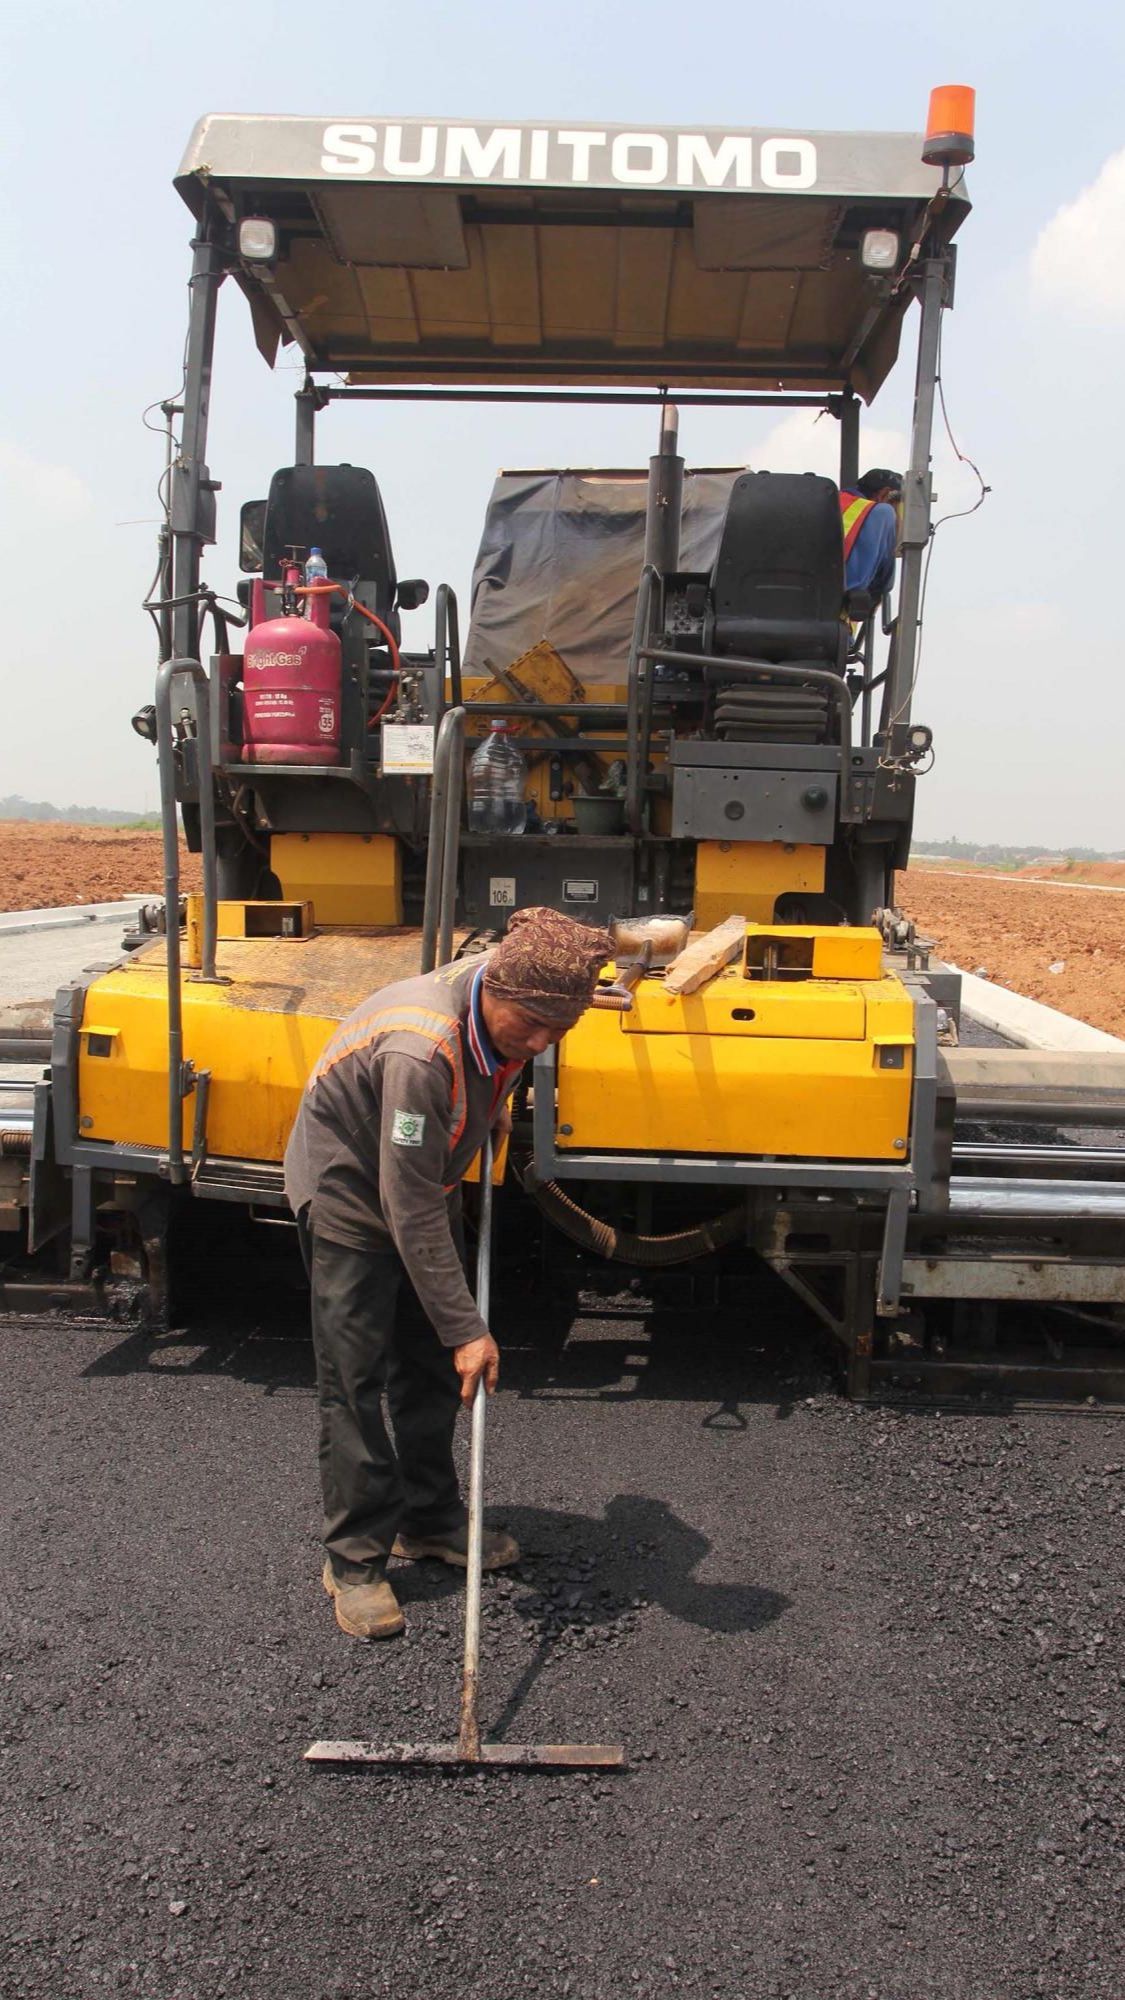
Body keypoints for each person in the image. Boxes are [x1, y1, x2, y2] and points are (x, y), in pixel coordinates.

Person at [284, 906, 612, 1641]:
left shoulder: (500, 992)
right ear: (493, 990)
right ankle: (356, 1560)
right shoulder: (418, 1049)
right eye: (529, 1026)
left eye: (556, 1033)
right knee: (355, 1379)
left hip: (420, 1181)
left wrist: (494, 1096)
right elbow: (403, 1200)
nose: (538, 1042)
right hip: (350, 1191)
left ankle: (429, 1520)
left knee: (433, 1365)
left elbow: (496, 1059)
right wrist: (469, 1327)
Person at [839, 468, 903, 601]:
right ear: (885, 494)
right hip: (834, 606)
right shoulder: (881, 512)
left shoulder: (831, 501)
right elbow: (882, 583)